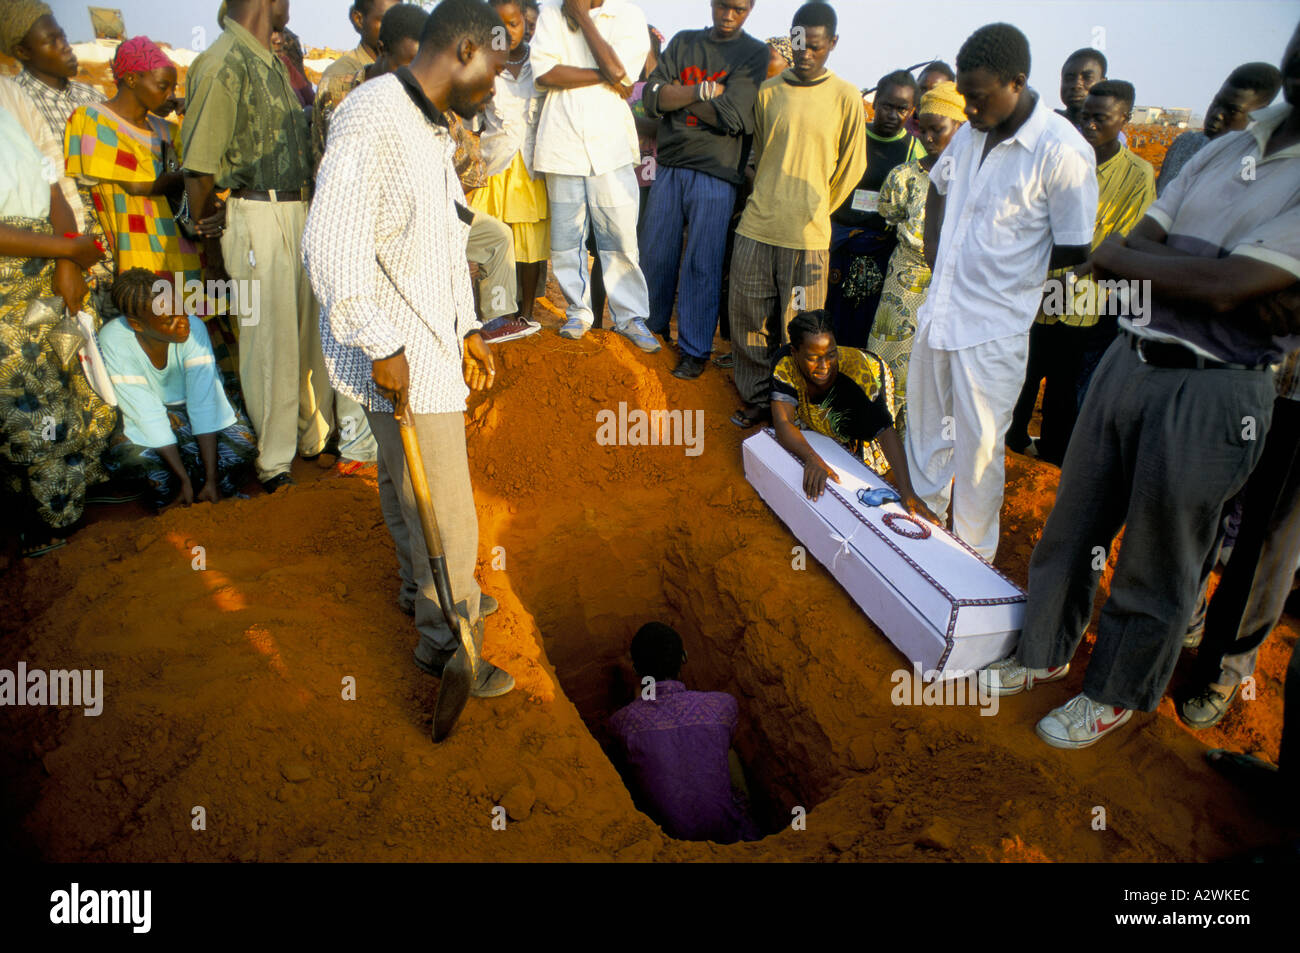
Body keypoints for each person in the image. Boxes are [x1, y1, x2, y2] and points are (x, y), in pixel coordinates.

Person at [978, 23, 1300, 750]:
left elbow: (1226, 288)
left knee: (1161, 553)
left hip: (1216, 389)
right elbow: (1118, 254)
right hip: (1133, 356)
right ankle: (1043, 651)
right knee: (1074, 522)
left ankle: (1114, 689)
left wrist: (1171, 272)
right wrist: (1197, 277)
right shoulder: (1217, 151)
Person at [303, 0, 514, 698]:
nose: (498, 80)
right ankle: (449, 643)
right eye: (495, 65)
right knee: (447, 509)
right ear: (461, 51)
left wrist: (468, 328)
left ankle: (420, 596)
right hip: (401, 351)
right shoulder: (372, 116)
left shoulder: (429, 126)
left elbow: (444, 247)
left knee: (401, 484)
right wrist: (380, 341)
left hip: (425, 340)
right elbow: (330, 244)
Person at [904, 23, 1096, 562]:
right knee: (925, 438)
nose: (967, 107)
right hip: (939, 316)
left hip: (992, 333)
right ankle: (918, 544)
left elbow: (1076, 246)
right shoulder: (969, 133)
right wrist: (940, 256)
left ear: (1016, 81)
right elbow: (939, 188)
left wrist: (1008, 268)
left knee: (980, 455)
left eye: (978, 96)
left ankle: (967, 565)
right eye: (963, 95)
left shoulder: (1061, 152)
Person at [183, 0, 375, 493]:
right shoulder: (222, 61)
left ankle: (313, 440)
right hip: (257, 212)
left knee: (313, 336)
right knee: (269, 341)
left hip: (299, 210)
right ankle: (274, 462)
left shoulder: (270, 60)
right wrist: (211, 244)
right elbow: (200, 171)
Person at [65, 37, 238, 382]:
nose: (169, 93)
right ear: (131, 80)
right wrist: (191, 176)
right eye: (162, 85)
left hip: (188, 252)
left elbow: (200, 184)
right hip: (138, 253)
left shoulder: (168, 130)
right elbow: (140, 185)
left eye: (172, 86)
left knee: (198, 338)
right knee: (154, 338)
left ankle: (212, 421)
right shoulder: (93, 120)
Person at [728, 2, 866, 430]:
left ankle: (793, 407)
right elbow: (759, 153)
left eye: (817, 46)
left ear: (833, 45)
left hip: (808, 240)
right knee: (749, 319)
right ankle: (756, 399)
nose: (806, 53)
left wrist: (819, 207)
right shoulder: (769, 92)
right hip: (757, 228)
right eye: (799, 43)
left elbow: (852, 166)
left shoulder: (846, 98)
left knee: (803, 328)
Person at [1007, 80, 1155, 464]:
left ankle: (1053, 457)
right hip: (1033, 291)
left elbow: (1121, 241)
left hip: (1082, 298)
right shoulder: (1060, 158)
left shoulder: (1137, 175)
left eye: (1099, 118)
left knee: (1063, 386)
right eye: (1084, 116)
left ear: (1124, 118)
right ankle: (1011, 442)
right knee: (1020, 374)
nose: (1087, 124)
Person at [0, 108, 114, 555]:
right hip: (9, 277)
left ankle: (72, 499)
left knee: (75, 383)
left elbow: (53, 190)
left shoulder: (9, 114)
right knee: (24, 401)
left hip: (47, 268)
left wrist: (68, 261)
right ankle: (42, 520)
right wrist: (70, 250)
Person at [639, 0, 768, 380]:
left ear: (750, 9)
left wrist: (679, 95)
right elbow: (651, 98)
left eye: (740, 9)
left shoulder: (753, 53)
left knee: (702, 262)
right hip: (672, 163)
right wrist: (707, 91)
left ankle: (695, 349)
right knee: (655, 253)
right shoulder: (683, 42)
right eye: (724, 6)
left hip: (717, 170)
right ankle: (652, 331)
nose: (730, 15)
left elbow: (736, 117)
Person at [1178, 349, 1300, 730]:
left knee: (1270, 543)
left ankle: (1225, 669)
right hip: (1240, 373)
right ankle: (1188, 618)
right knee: (1204, 503)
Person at [530, 0, 660, 351]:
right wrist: (606, 76)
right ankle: (578, 311)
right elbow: (544, 73)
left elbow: (625, 73)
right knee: (566, 240)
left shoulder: (629, 13)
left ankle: (630, 317)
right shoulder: (551, 12)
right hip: (561, 141)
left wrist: (583, 18)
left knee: (620, 238)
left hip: (611, 146)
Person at [99, 270, 256, 510]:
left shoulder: (194, 328)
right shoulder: (114, 339)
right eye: (168, 319)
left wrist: (212, 477)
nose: (182, 322)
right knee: (135, 461)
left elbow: (203, 402)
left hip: (193, 410)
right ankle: (186, 486)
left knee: (242, 447)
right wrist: (183, 479)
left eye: (182, 309)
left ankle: (207, 485)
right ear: (136, 324)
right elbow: (145, 413)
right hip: (150, 416)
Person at [771, 310, 936, 524]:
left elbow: (885, 431)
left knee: (869, 469)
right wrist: (812, 458)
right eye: (813, 358)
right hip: (821, 405)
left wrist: (907, 491)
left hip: (868, 384)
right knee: (799, 446)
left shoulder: (860, 375)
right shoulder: (785, 362)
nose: (824, 366)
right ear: (794, 352)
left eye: (831, 354)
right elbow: (783, 422)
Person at [867, 80, 966, 434]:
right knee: (887, 362)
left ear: (961, 128)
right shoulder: (904, 177)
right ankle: (882, 440)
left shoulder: (977, 181)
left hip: (954, 286)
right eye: (923, 129)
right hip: (904, 282)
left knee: (938, 372)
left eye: (937, 130)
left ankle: (922, 445)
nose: (927, 137)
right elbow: (889, 215)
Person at [608, 623, 758, 844]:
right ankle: (746, 815)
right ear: (684, 657)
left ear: (636, 669)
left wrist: (638, 696)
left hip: (669, 842)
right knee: (725, 748)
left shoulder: (620, 722)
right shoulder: (722, 705)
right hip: (730, 836)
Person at [825, 69, 925, 349]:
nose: (893, 114)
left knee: (861, 324)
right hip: (835, 243)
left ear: (912, 110)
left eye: (902, 108)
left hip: (877, 251)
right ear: (875, 101)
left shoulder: (913, 151)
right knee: (826, 317)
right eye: (887, 106)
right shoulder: (851, 136)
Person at [468, 0, 548, 340]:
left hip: (530, 165)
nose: (508, 32)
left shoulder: (543, 63)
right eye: (498, 26)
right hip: (494, 165)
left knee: (528, 243)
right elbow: (472, 125)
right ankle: (489, 315)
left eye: (516, 24)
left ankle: (525, 314)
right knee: (491, 243)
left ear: (528, 25)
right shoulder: (482, 65)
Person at [313, 3, 428, 171]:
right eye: (385, 20)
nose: (396, 28)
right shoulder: (339, 82)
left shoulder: (415, 71)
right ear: (358, 19)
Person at [1157, 62, 1282, 196]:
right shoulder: (1184, 144)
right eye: (1216, 103)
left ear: (1259, 115)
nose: (1217, 114)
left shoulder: (1255, 167)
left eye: (1232, 110)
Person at [314, 0, 402, 111]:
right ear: (358, 19)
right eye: (385, 21)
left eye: (399, 22)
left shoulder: (404, 67)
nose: (395, 30)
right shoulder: (340, 75)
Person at [1056, 47, 1107, 127]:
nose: (1076, 85)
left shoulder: (1108, 134)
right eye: (1070, 78)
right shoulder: (1045, 124)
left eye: (1087, 78)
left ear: (1103, 83)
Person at [905, 61, 955, 137]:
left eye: (935, 91)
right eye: (922, 89)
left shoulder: (962, 135)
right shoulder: (900, 130)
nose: (925, 97)